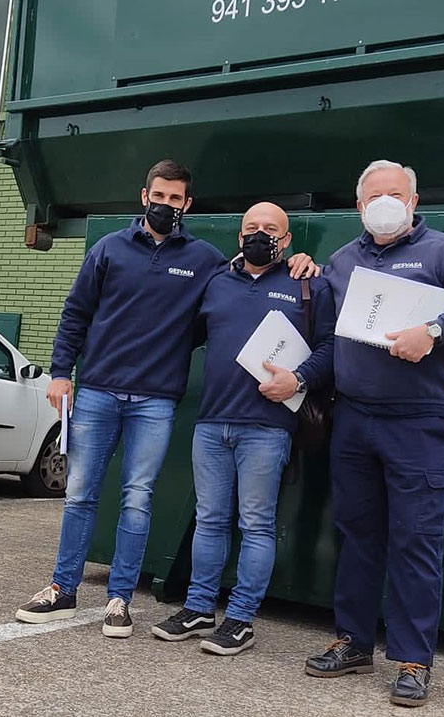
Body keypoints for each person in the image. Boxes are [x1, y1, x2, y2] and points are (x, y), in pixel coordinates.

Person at [15, 161, 312, 637]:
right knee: (79, 493)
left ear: (187, 205)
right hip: (96, 391)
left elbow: (250, 279)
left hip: (156, 399)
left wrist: (302, 264)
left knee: (137, 497)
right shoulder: (109, 248)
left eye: (176, 199)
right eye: (160, 196)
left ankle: (119, 600)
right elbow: (76, 313)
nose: (166, 205)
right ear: (144, 196)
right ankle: (62, 588)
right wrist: (61, 373)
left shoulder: (206, 261)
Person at [304, 160, 444, 708]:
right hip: (354, 419)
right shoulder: (343, 262)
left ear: (414, 202)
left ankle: (414, 661)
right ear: (359, 205)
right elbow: (325, 327)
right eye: (375, 196)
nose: (386, 203)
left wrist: (436, 330)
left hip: (421, 420)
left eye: (396, 194)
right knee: (357, 533)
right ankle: (352, 641)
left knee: (416, 540)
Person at [151, 202, 334, 655]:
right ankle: (198, 608)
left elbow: (331, 347)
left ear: (286, 240)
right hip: (212, 423)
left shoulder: (307, 283)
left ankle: (241, 619)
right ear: (239, 236)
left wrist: (300, 378)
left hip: (268, 428)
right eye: (251, 228)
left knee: (255, 524)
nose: (260, 234)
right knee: (211, 521)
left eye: (270, 229)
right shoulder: (216, 282)